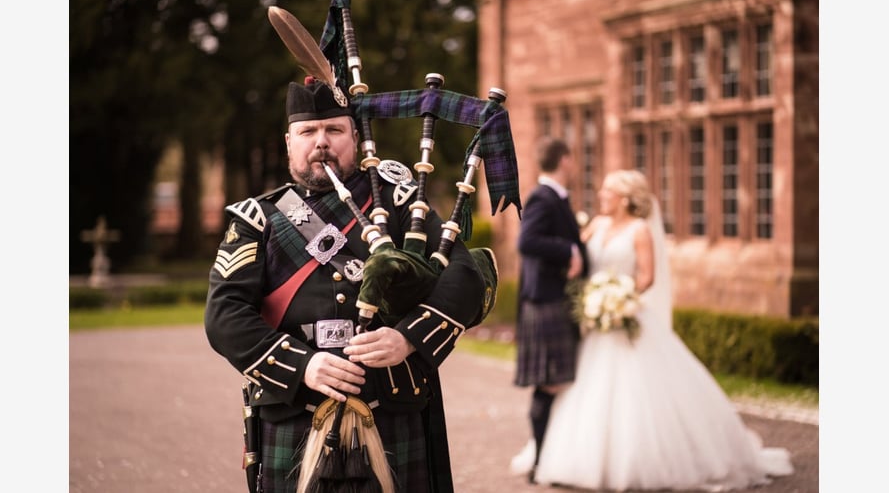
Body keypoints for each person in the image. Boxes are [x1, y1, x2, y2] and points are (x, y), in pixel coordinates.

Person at [204, 78, 496, 493]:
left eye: (335, 130)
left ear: (355, 138)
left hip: (390, 403)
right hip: (295, 410)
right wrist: (303, 366)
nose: (321, 142)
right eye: (308, 132)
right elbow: (224, 316)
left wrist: (408, 338)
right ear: (289, 142)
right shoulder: (259, 220)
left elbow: (464, 277)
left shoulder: (399, 202)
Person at [533, 169, 794, 491]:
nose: (601, 196)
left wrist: (619, 298)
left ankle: (639, 463)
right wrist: (589, 295)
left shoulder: (640, 230)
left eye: (608, 192)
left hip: (624, 314)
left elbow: (647, 277)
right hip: (597, 322)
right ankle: (574, 461)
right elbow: (577, 260)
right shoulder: (596, 225)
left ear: (624, 199)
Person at [509, 137, 588, 480]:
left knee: (553, 383)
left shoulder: (552, 197)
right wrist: (569, 251)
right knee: (549, 384)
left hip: (549, 300)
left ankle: (547, 458)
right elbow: (526, 241)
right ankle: (540, 461)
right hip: (545, 302)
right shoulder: (544, 196)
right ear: (566, 160)